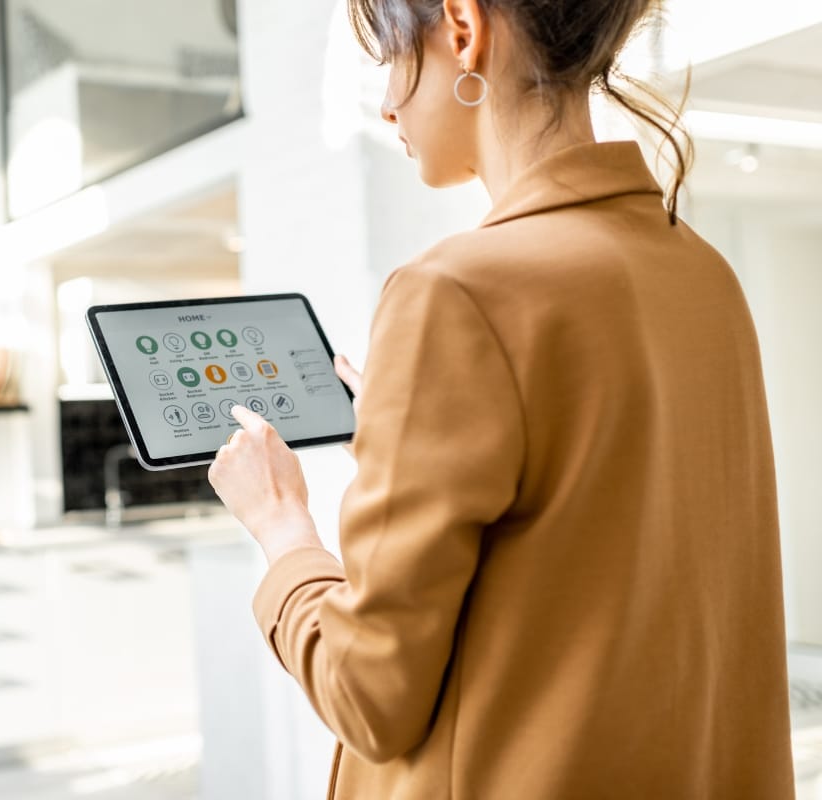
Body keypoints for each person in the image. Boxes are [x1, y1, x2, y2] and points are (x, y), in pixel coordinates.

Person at [206, 0, 797, 797]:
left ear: (462, 28)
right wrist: (415, 438)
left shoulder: (455, 293)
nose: (386, 101)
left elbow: (369, 695)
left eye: (387, 55)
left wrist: (282, 527)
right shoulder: (704, 274)